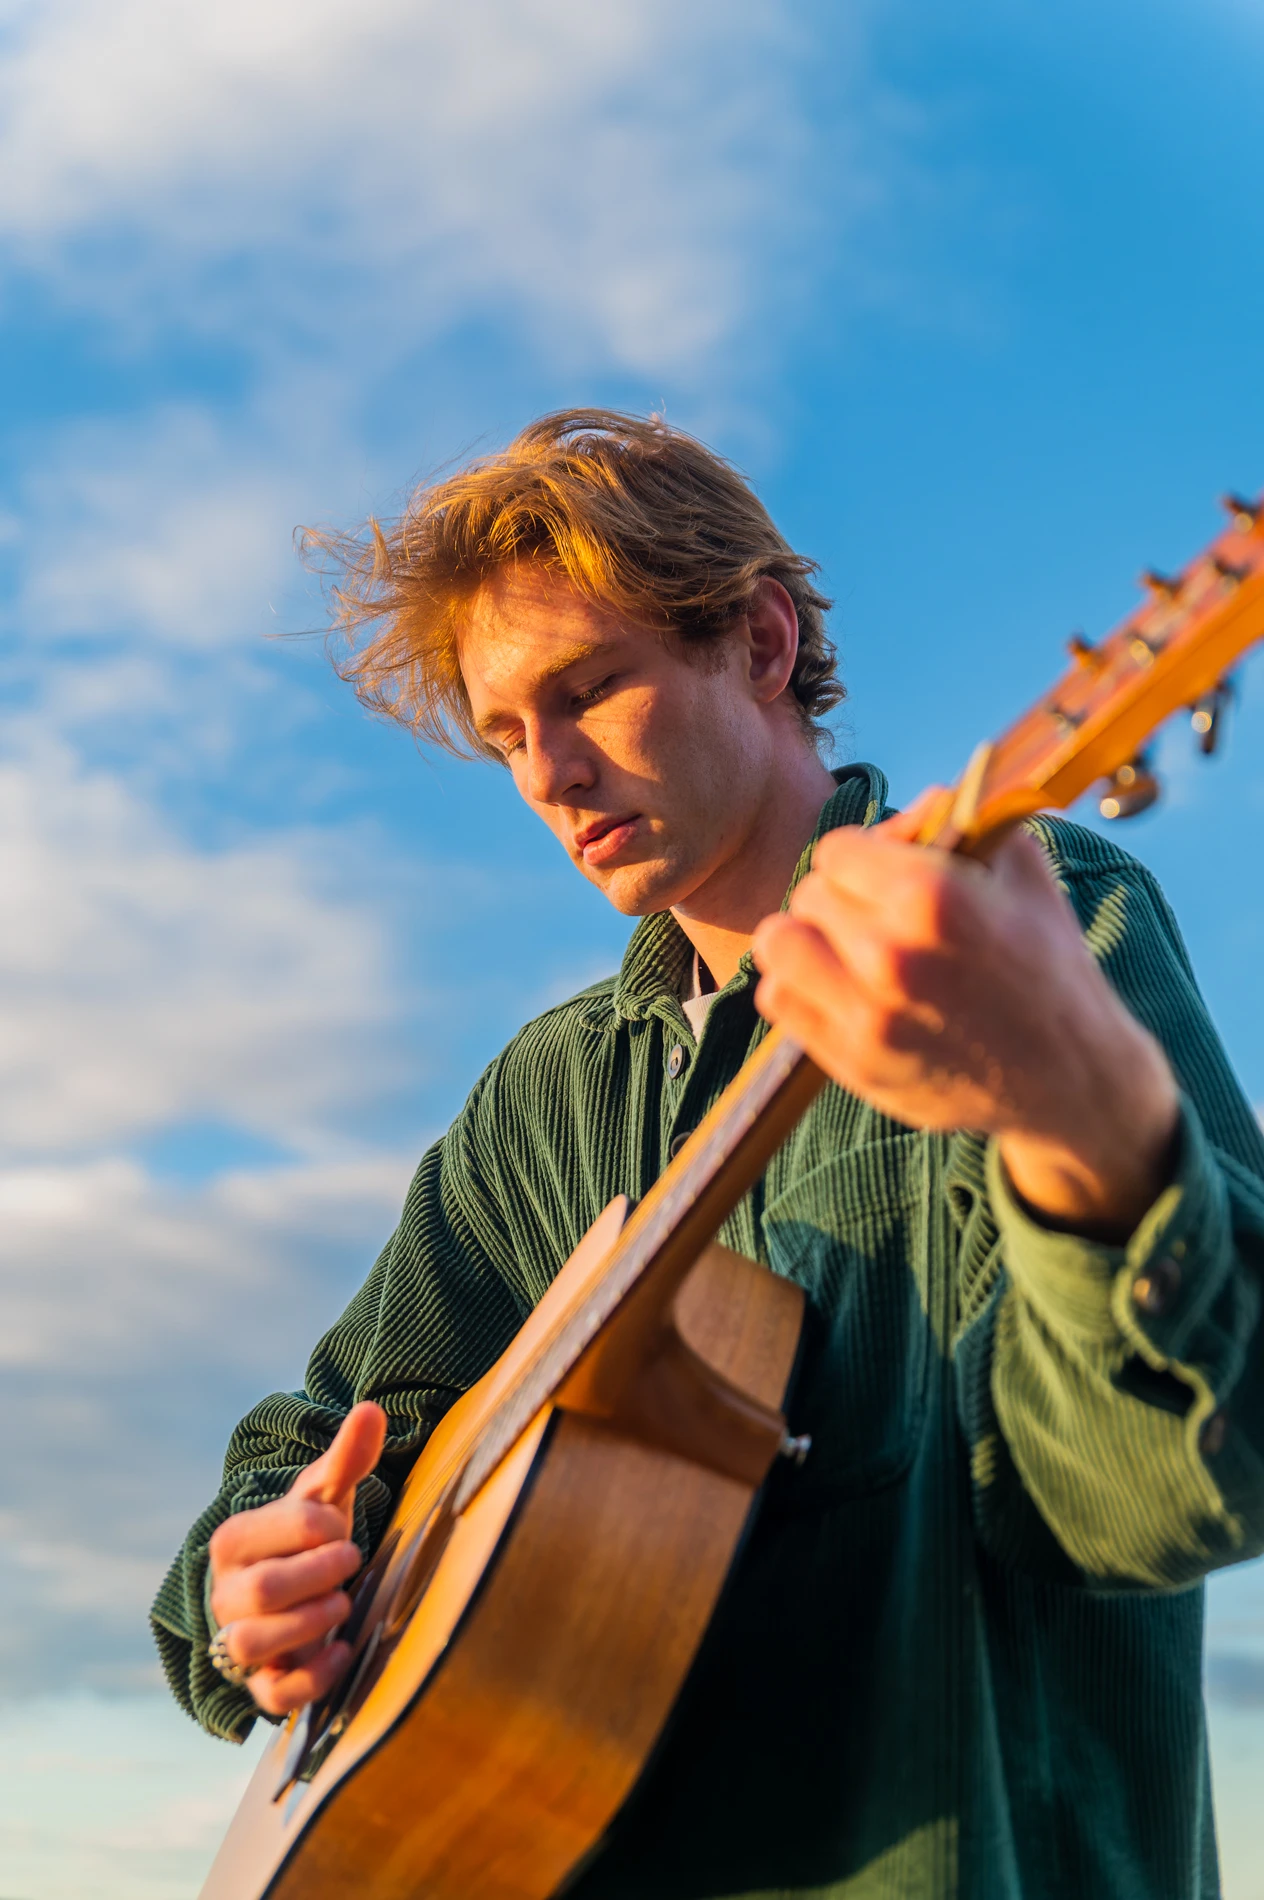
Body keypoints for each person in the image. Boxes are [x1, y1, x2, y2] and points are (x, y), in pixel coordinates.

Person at [152, 410, 1264, 1900]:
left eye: (589, 688)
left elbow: (1174, 1484)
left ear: (755, 639)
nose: (546, 773)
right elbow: (327, 1435)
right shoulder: (538, 1102)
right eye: (502, 736)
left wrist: (1090, 1128)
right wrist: (259, 1580)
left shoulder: (1023, 923)